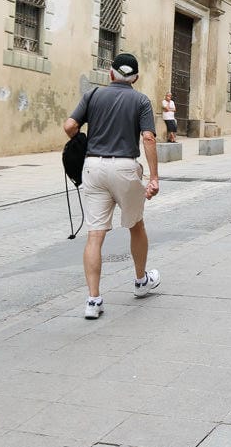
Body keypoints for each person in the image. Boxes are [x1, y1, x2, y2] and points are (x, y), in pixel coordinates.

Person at [64, 52, 161, 319]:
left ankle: (93, 300)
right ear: (136, 78)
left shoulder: (93, 96)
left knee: (95, 235)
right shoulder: (141, 100)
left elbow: (69, 126)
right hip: (125, 167)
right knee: (135, 225)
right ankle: (141, 282)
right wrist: (153, 177)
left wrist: (82, 139)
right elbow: (149, 138)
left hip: (93, 167)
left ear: (110, 73)